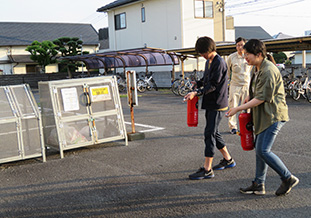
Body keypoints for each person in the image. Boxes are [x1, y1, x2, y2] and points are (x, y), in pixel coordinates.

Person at [226, 39, 299, 196]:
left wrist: (237, 108)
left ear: (259, 54)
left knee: (263, 150)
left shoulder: (268, 71)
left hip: (273, 115)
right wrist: (247, 98)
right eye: (244, 54)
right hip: (262, 115)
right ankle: (259, 184)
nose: (245, 58)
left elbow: (261, 98)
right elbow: (255, 93)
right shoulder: (257, 68)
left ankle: (287, 178)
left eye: (247, 55)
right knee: (260, 150)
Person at [184, 36, 236, 180]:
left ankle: (207, 169)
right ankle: (228, 159)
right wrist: (197, 84)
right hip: (211, 102)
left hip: (218, 104)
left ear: (208, 50)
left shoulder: (219, 62)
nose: (201, 55)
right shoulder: (209, 61)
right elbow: (207, 80)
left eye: (202, 53)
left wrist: (197, 92)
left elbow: (213, 84)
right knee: (214, 132)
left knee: (209, 134)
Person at [227, 37, 251, 135]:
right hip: (235, 85)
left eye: (242, 45)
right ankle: (233, 126)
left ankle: (246, 125)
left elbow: (252, 70)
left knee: (247, 106)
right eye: (238, 45)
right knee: (233, 105)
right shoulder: (231, 57)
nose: (240, 47)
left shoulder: (249, 56)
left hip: (246, 85)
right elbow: (227, 72)